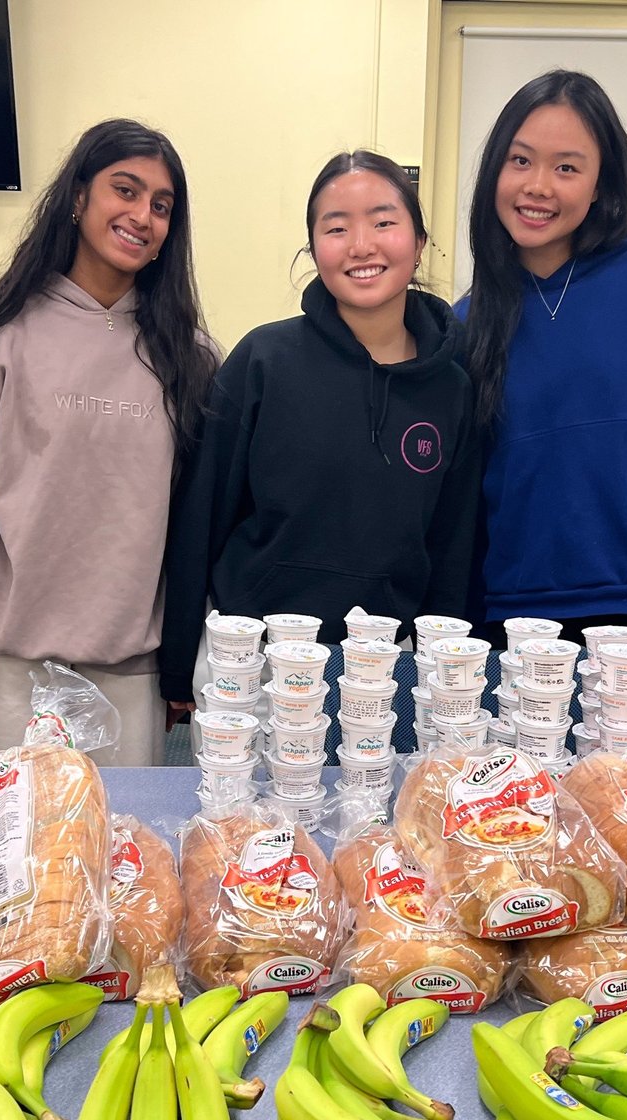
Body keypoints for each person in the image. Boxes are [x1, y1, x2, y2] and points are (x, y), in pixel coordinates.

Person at [0, 118, 216, 764]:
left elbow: (194, 528)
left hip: (133, 673)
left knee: (121, 856)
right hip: (12, 672)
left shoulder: (190, 359)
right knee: (15, 856)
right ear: (79, 198)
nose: (143, 216)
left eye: (162, 206)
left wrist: (180, 664)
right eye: (126, 190)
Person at [159, 150, 480, 714]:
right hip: (254, 660)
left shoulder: (451, 389)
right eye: (337, 228)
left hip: (388, 665)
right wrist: (177, 663)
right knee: (242, 805)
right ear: (313, 250)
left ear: (420, 241)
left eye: (384, 222)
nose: (362, 245)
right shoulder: (263, 360)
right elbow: (201, 516)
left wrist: (445, 671)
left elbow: (453, 547)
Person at [458, 70, 627, 646]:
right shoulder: (467, 320)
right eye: (520, 160)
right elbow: (466, 504)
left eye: (566, 167)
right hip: (511, 615)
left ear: (600, 185)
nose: (538, 186)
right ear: (495, 173)